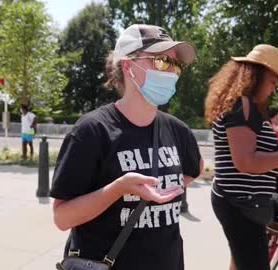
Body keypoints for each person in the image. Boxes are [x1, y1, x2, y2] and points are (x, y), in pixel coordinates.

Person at [50, 24, 203, 270]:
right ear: (128, 65)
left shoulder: (178, 131)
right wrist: (118, 189)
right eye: (162, 61)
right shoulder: (91, 131)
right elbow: (62, 217)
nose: (172, 71)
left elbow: (194, 169)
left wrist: (163, 187)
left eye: (176, 65)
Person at [204, 44, 278, 270]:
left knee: (239, 261)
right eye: (272, 82)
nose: (273, 90)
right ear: (255, 76)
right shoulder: (242, 106)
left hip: (240, 201)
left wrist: (274, 166)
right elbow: (246, 161)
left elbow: (244, 157)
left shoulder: (244, 105)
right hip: (241, 204)